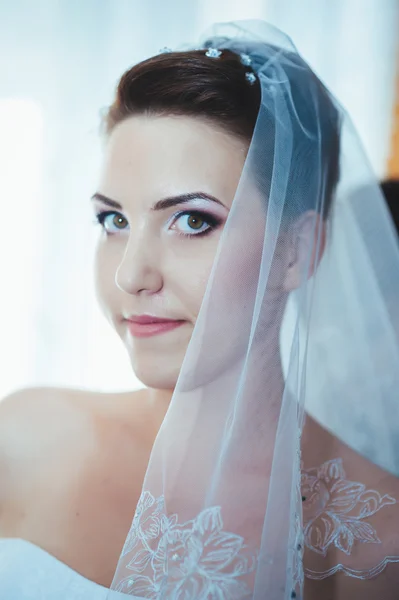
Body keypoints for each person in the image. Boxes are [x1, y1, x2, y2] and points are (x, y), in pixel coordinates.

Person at [1, 20, 399, 600]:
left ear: (297, 251)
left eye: (192, 221)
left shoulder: (378, 540)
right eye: (113, 220)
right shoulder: (24, 440)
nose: (131, 274)